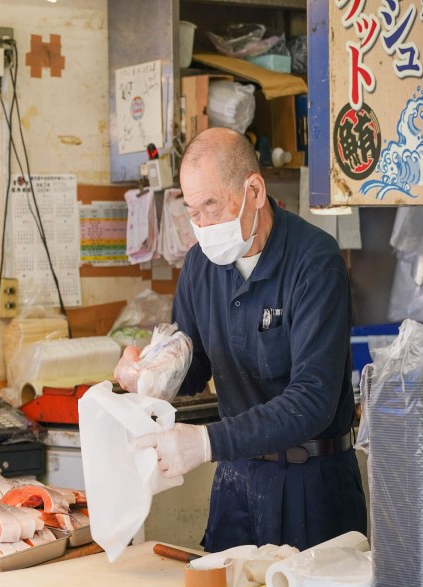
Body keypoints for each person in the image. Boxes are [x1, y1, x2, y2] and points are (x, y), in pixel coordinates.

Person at [116, 128, 367, 553]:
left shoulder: (315, 262)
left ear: (254, 191)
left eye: (211, 206)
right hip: (236, 486)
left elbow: (312, 399)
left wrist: (206, 442)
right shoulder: (200, 266)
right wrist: (151, 374)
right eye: (192, 211)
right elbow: (194, 365)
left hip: (313, 484)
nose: (202, 226)